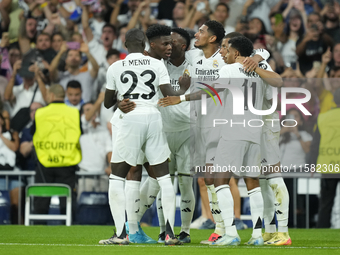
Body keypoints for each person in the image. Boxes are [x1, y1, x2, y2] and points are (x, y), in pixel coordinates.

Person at [99, 28, 189, 245]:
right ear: (144, 43)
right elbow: (169, 94)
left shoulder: (115, 66)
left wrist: (121, 101)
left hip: (129, 118)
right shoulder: (156, 64)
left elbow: (107, 103)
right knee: (164, 178)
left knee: (117, 176)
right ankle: (169, 234)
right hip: (153, 116)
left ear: (125, 43)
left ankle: (121, 235)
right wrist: (183, 90)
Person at [32, 84, 82, 224]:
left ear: (52, 95)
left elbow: (33, 133)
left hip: (45, 162)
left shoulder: (40, 113)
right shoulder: (74, 112)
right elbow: (80, 133)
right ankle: (69, 230)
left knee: (41, 199)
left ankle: (38, 229)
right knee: (67, 201)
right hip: (67, 162)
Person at [310, 88, 340, 228]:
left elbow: (315, 143)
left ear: (334, 100)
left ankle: (322, 229)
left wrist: (311, 164)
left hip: (328, 164)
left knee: (326, 203)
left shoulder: (323, 117)